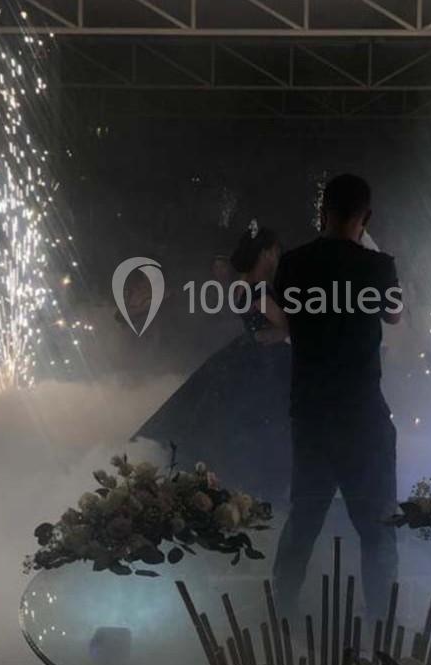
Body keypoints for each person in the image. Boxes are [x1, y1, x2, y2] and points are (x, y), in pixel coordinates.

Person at [271, 174, 402, 618]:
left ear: (322, 211)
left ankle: (281, 615)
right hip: (364, 418)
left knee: (302, 523)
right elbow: (396, 314)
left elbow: (280, 321)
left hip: (310, 416)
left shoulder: (293, 263)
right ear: (364, 217)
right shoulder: (379, 266)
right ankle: (383, 627)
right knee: (379, 530)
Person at [131, 224, 292, 503]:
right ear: (265, 253)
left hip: (250, 353)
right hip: (264, 362)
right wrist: (282, 331)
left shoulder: (245, 285)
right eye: (275, 251)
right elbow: (286, 324)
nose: (278, 257)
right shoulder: (257, 290)